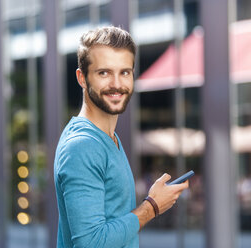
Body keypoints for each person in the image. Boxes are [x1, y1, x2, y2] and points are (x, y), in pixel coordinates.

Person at [54, 26, 189, 248]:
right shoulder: (82, 146)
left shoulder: (110, 138)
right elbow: (90, 243)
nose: (117, 84)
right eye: (104, 73)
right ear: (82, 78)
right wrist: (152, 207)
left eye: (124, 72)